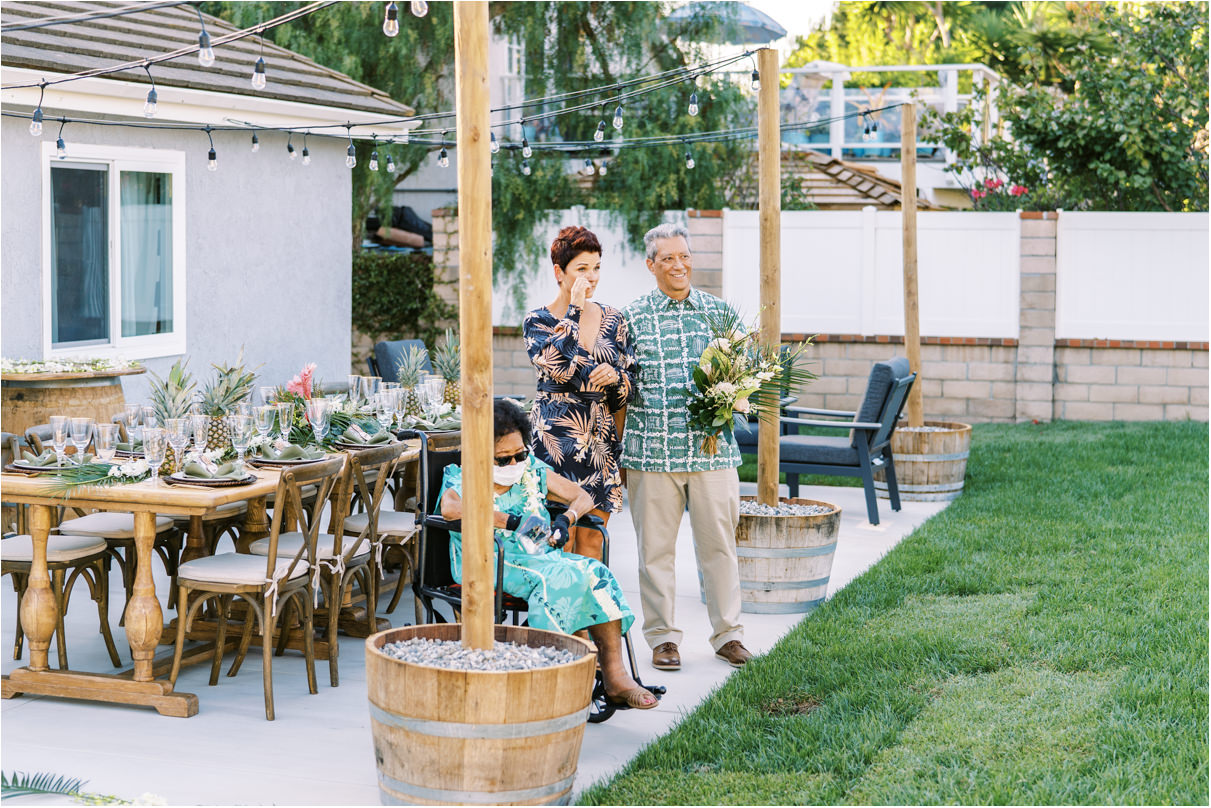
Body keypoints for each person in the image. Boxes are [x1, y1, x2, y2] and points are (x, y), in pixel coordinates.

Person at [438, 399, 657, 710]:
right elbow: (450, 509)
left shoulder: (531, 470)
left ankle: (615, 674)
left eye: (520, 454)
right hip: (488, 560)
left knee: (596, 572)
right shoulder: (462, 476)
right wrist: (510, 521)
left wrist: (565, 520)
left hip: (537, 554)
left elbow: (581, 495)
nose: (514, 464)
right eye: (503, 460)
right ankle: (557, 671)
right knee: (556, 578)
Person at [620, 222, 753, 671]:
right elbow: (619, 389)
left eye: (684, 256)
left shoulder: (720, 314)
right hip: (651, 456)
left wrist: (732, 402)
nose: (679, 265)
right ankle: (662, 639)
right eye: (668, 258)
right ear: (651, 265)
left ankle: (728, 636)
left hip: (711, 453)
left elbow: (742, 379)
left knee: (720, 548)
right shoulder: (631, 317)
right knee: (654, 554)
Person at [521, 226, 637, 561]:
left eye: (597, 267)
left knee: (593, 543)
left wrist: (616, 378)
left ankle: (592, 613)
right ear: (559, 272)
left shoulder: (614, 319)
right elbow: (557, 364)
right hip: (553, 445)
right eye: (582, 269)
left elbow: (628, 389)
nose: (592, 277)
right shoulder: (537, 320)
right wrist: (574, 309)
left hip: (599, 446)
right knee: (557, 543)